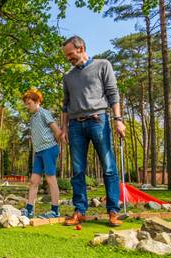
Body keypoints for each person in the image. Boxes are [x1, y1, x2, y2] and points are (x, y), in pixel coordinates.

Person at [60, 36, 126, 227]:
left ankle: (113, 211)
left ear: (81, 48)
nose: (69, 59)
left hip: (99, 121)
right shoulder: (68, 76)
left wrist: (118, 120)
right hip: (75, 126)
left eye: (71, 54)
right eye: (67, 56)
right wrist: (63, 128)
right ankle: (79, 210)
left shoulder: (102, 65)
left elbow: (113, 94)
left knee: (109, 167)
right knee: (78, 170)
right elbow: (65, 105)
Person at [21, 88, 62, 219]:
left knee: (50, 179)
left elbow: (56, 129)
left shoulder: (44, 113)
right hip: (39, 152)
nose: (27, 106)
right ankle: (29, 210)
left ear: (37, 101)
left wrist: (58, 144)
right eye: (26, 104)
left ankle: (55, 210)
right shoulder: (32, 119)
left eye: (29, 103)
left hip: (49, 149)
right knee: (33, 181)